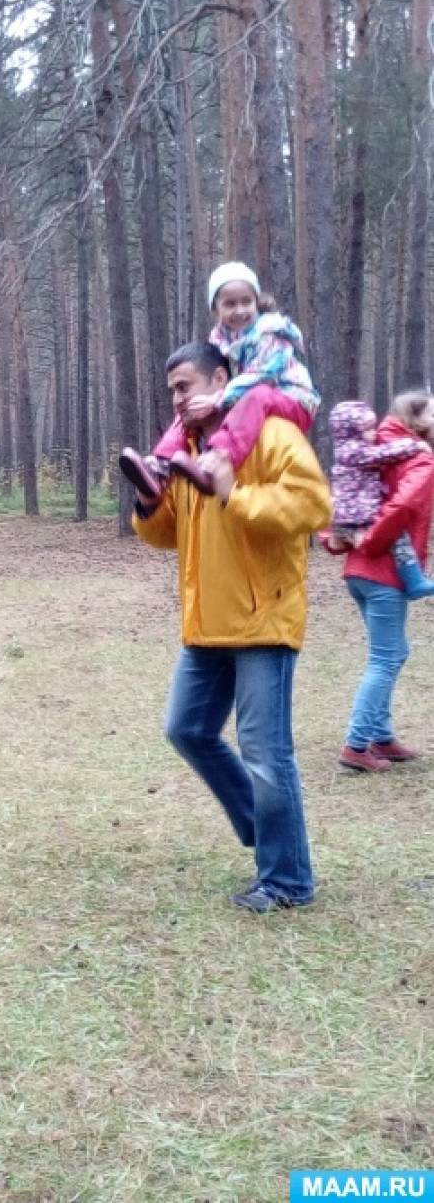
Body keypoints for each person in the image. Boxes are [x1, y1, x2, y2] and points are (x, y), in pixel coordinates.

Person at [133, 341, 331, 913]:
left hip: (262, 622)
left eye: (185, 385)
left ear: (221, 379)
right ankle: (268, 831)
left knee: (266, 753)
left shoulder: (272, 434)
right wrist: (148, 504)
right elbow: (168, 534)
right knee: (187, 729)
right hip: (206, 623)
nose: (177, 398)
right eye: (172, 390)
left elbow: (312, 506)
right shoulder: (187, 450)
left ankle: (288, 880)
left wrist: (233, 493)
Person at [120, 261, 319, 498]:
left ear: (256, 302)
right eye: (230, 304)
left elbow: (261, 377)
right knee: (190, 408)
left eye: (247, 301)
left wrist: (218, 399)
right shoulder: (220, 338)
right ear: (215, 309)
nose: (240, 310)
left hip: (293, 398)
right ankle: (160, 465)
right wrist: (207, 401)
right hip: (246, 398)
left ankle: (217, 459)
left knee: (258, 395)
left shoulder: (270, 333)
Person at [338, 392, 434, 773]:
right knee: (386, 657)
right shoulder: (419, 458)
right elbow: (403, 506)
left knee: (395, 651)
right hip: (384, 573)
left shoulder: (370, 444)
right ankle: (356, 744)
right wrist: (374, 541)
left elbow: (342, 493)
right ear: (417, 419)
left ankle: (381, 735)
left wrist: (337, 538)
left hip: (359, 572)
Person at [325, 399, 434, 600]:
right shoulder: (356, 450)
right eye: (367, 430)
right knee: (399, 539)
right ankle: (414, 579)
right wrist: (414, 446)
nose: (374, 433)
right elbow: (385, 456)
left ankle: (415, 579)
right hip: (360, 517)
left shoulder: (347, 449)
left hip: (349, 521)